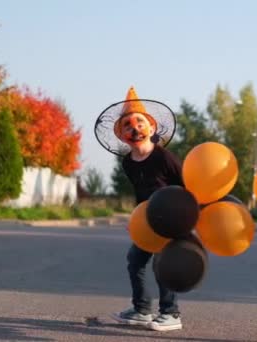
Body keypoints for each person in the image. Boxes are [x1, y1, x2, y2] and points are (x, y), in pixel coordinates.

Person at [98, 86, 183, 331]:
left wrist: (183, 218)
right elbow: (140, 192)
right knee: (135, 260)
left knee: (163, 264)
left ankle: (170, 313)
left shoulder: (164, 157)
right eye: (127, 125)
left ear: (152, 128)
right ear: (122, 135)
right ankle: (142, 308)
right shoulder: (128, 163)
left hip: (170, 217)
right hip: (146, 220)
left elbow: (186, 184)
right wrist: (135, 219)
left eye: (140, 122)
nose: (134, 128)